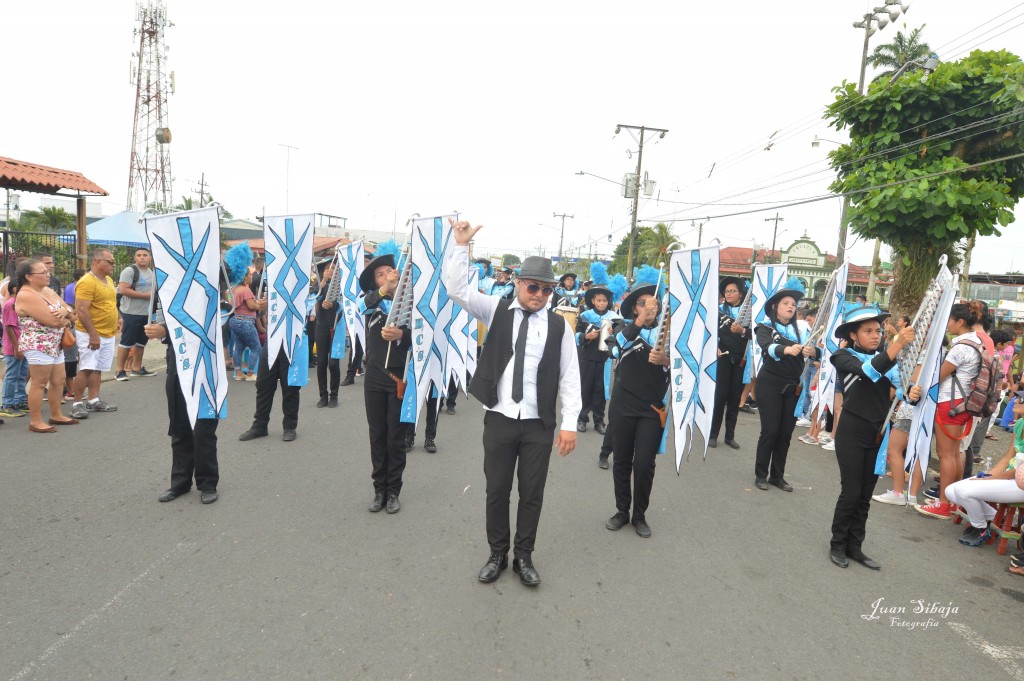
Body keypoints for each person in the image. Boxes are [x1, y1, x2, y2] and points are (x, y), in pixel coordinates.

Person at [447, 219, 580, 587]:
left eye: (546, 289)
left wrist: (569, 423)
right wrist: (460, 247)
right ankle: (497, 554)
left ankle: (524, 556)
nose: (539, 294)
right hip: (501, 418)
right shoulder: (496, 309)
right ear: (519, 283)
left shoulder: (559, 327)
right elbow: (456, 289)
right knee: (497, 490)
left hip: (538, 423)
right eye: (533, 286)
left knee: (532, 494)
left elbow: (570, 377)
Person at [827, 305, 918, 569]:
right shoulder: (843, 356)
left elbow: (900, 388)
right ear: (854, 334)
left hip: (877, 434)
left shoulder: (886, 358)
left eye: (878, 330)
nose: (875, 335)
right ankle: (837, 545)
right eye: (868, 331)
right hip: (852, 433)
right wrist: (897, 344)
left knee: (865, 495)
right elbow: (870, 371)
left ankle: (855, 547)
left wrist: (911, 392)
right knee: (851, 492)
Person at [604, 279, 671, 538]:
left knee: (644, 463)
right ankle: (622, 510)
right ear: (634, 309)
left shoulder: (667, 335)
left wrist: (666, 359)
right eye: (643, 303)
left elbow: (684, 365)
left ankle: (639, 515)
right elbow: (615, 349)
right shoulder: (622, 327)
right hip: (623, 405)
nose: (649, 307)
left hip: (652, 410)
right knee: (621, 460)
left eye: (653, 303)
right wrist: (640, 321)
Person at [916, 302, 984, 519]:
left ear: (960, 322)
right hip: (963, 403)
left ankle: (944, 504)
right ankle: (951, 501)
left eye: (949, 321)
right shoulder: (976, 343)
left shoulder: (961, 347)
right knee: (953, 453)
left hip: (949, 403)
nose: (947, 325)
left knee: (945, 454)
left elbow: (938, 376)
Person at [145, 308, 220, 505]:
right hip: (178, 365)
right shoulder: (168, 284)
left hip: (205, 365)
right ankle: (180, 482)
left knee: (203, 428)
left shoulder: (206, 282)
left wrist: (165, 331)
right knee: (179, 426)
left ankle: (208, 482)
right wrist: (159, 329)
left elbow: (204, 325)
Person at [358, 243, 412, 514]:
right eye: (381, 274)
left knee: (395, 437)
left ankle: (394, 491)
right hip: (375, 379)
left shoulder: (410, 303)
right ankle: (379, 490)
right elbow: (360, 307)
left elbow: (421, 337)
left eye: (391, 270)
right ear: (374, 281)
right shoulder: (371, 301)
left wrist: (402, 335)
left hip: (400, 379)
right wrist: (384, 290)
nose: (388, 275)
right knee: (377, 435)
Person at [753, 279, 818, 492]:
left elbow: (817, 352)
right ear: (775, 306)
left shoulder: (802, 328)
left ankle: (777, 476)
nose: (791, 306)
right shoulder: (764, 326)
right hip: (769, 384)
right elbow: (766, 346)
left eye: (793, 304)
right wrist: (785, 350)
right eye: (786, 303)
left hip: (793, 387)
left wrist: (813, 352)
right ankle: (761, 474)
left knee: (785, 433)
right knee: (770, 430)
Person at [14, 259, 78, 432]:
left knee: (59, 380)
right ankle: (35, 421)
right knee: (40, 382)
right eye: (42, 272)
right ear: (28, 276)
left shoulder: (48, 290)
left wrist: (66, 312)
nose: (47, 274)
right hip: (39, 344)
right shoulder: (26, 295)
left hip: (56, 343)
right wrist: (66, 316)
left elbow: (71, 312)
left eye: (47, 271)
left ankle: (56, 414)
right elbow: (52, 321)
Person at [71, 249, 121, 419]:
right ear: (98, 262)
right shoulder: (86, 282)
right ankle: (77, 403)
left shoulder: (108, 280)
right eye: (111, 262)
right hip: (91, 332)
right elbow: (82, 310)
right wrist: (93, 334)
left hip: (107, 332)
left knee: (98, 368)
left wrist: (118, 318)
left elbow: (110, 303)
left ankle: (94, 399)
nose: (113, 265)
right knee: (86, 367)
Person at [709, 277, 750, 449]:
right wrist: (715, 347)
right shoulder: (718, 311)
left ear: (741, 294)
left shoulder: (748, 314)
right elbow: (709, 333)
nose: (728, 294)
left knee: (734, 399)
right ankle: (713, 435)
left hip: (741, 360)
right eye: (726, 291)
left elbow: (757, 335)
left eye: (732, 291)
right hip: (723, 358)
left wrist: (742, 330)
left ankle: (729, 436)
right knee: (719, 398)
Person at [575, 285, 617, 434]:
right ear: (593, 301)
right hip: (587, 357)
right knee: (585, 388)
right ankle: (582, 418)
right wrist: (586, 336)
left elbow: (620, 337)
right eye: (598, 300)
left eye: (604, 300)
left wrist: (615, 332)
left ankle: (599, 421)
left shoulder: (614, 317)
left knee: (601, 390)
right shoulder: (585, 316)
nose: (601, 303)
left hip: (605, 359)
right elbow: (576, 335)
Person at [114, 247, 157, 380]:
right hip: (130, 313)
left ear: (150, 257)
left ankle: (136, 368)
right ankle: (120, 371)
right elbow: (123, 290)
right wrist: (146, 296)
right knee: (126, 342)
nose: (142, 257)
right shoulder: (130, 271)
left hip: (146, 313)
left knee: (141, 343)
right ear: (135, 258)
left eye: (145, 255)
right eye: (139, 255)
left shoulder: (151, 272)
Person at [313, 261, 341, 408]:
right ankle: (323, 395)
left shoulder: (341, 284)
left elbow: (346, 303)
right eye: (327, 269)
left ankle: (334, 395)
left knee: (334, 363)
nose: (330, 271)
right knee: (322, 362)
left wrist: (333, 305)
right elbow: (314, 295)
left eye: (333, 269)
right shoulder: (321, 284)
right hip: (322, 326)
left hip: (337, 327)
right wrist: (323, 280)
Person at [229, 266, 262, 382]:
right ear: (244, 277)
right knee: (256, 347)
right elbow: (251, 306)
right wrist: (259, 305)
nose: (251, 277)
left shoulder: (233, 289)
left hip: (235, 320)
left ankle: (238, 372)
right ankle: (250, 373)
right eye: (250, 275)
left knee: (239, 347)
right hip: (246, 321)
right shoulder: (245, 290)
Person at [2, 279, 28, 418]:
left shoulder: (21, 304)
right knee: (12, 375)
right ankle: (7, 404)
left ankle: (20, 400)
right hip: (14, 346)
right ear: (14, 289)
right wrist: (16, 347)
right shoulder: (10, 304)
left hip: (23, 344)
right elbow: (9, 326)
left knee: (22, 374)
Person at [62, 268, 85, 399]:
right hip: (71, 325)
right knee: (70, 362)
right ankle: (71, 390)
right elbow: (72, 307)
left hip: (71, 319)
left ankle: (70, 388)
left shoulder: (69, 286)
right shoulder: (76, 287)